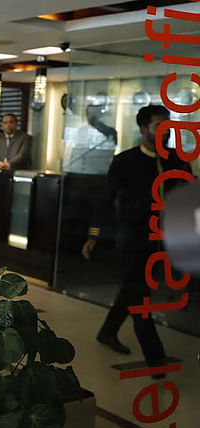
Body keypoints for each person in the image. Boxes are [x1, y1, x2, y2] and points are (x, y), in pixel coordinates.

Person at [82, 105, 192, 373]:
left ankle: (107, 332)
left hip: (162, 238)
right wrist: (93, 236)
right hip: (133, 238)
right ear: (144, 129)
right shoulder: (125, 161)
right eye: (159, 126)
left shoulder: (177, 160)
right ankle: (156, 360)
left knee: (132, 289)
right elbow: (106, 199)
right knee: (140, 295)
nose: (165, 131)